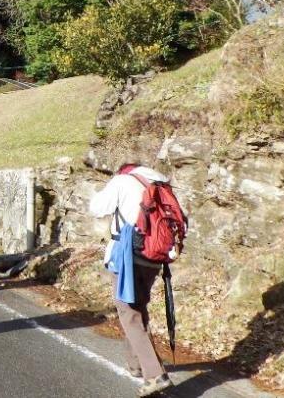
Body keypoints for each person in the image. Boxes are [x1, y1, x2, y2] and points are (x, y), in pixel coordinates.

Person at [89, 164, 174, 396]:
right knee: (137, 308)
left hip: (129, 253)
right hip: (155, 257)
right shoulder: (161, 183)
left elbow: (97, 208)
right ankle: (137, 364)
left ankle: (155, 375)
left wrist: (96, 194)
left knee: (128, 312)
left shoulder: (122, 181)